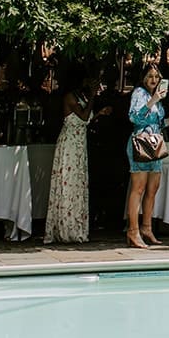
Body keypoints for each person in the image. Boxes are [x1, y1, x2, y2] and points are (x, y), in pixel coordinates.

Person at [46, 64, 111, 244]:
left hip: (79, 142)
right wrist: (92, 96)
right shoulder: (69, 97)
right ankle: (65, 228)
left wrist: (98, 113)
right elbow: (82, 116)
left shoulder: (79, 96)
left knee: (78, 183)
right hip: (70, 144)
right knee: (68, 183)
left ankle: (77, 226)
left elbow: (86, 120)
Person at [125, 62, 167, 249]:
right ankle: (132, 231)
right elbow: (134, 118)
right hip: (141, 143)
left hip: (155, 143)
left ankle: (147, 227)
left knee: (153, 188)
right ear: (143, 78)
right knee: (138, 188)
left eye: (156, 77)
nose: (153, 80)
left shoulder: (155, 96)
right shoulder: (139, 94)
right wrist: (152, 101)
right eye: (150, 76)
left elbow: (157, 122)